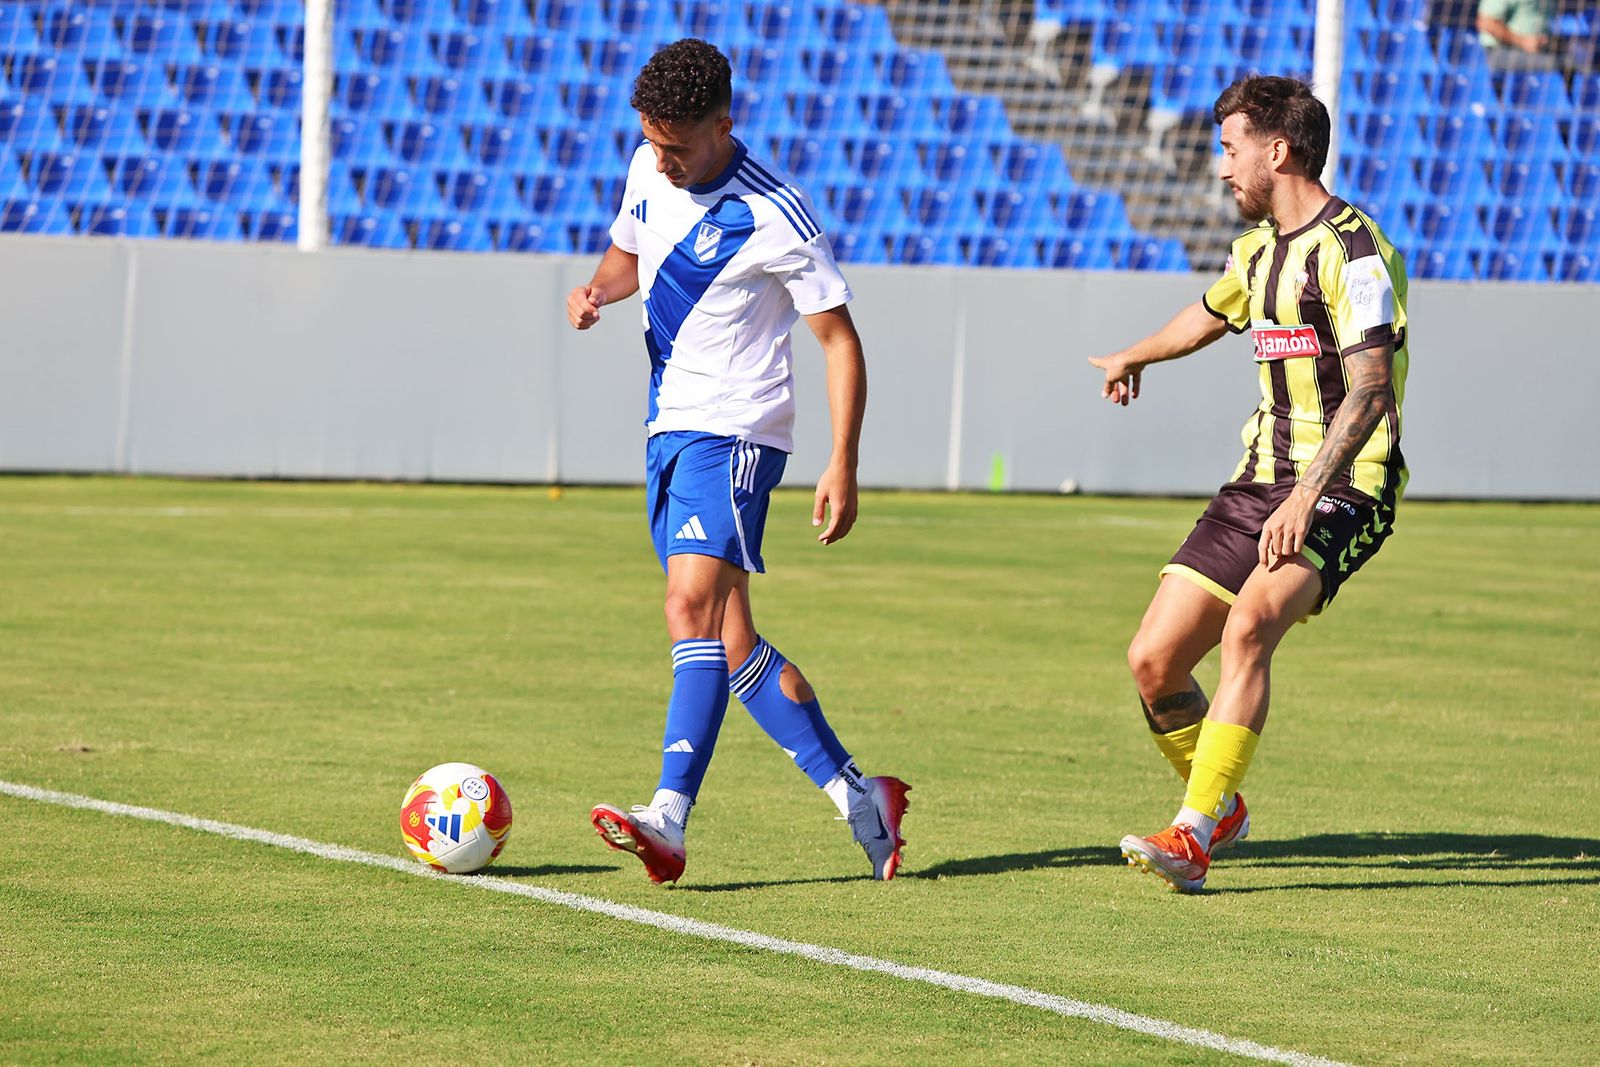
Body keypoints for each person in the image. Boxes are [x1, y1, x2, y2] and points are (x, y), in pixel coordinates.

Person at [566, 38, 910, 885]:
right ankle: (862, 796)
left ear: (723, 124)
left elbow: (840, 342)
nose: (661, 160)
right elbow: (628, 252)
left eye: (676, 146)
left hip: (737, 433)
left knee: (687, 605)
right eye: (651, 141)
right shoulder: (648, 167)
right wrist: (598, 290)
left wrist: (843, 462)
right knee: (730, 639)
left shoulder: (776, 213)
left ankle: (669, 816)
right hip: (669, 429)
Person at [1087, 75, 1409, 893]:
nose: (1223, 167)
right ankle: (1221, 806)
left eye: (1231, 149)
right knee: (1153, 661)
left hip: (1346, 484)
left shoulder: (1355, 251)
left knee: (1251, 623)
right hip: (1258, 481)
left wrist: (1306, 495)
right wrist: (1133, 355)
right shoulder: (1257, 251)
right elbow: (1208, 314)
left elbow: (1371, 388)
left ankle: (1193, 834)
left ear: (1279, 149)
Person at [1476, 0, 1558, 70]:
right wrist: (1523, 42)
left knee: (1563, 59)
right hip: (1502, 50)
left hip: (1541, 49)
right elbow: (1486, 23)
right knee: (1555, 64)